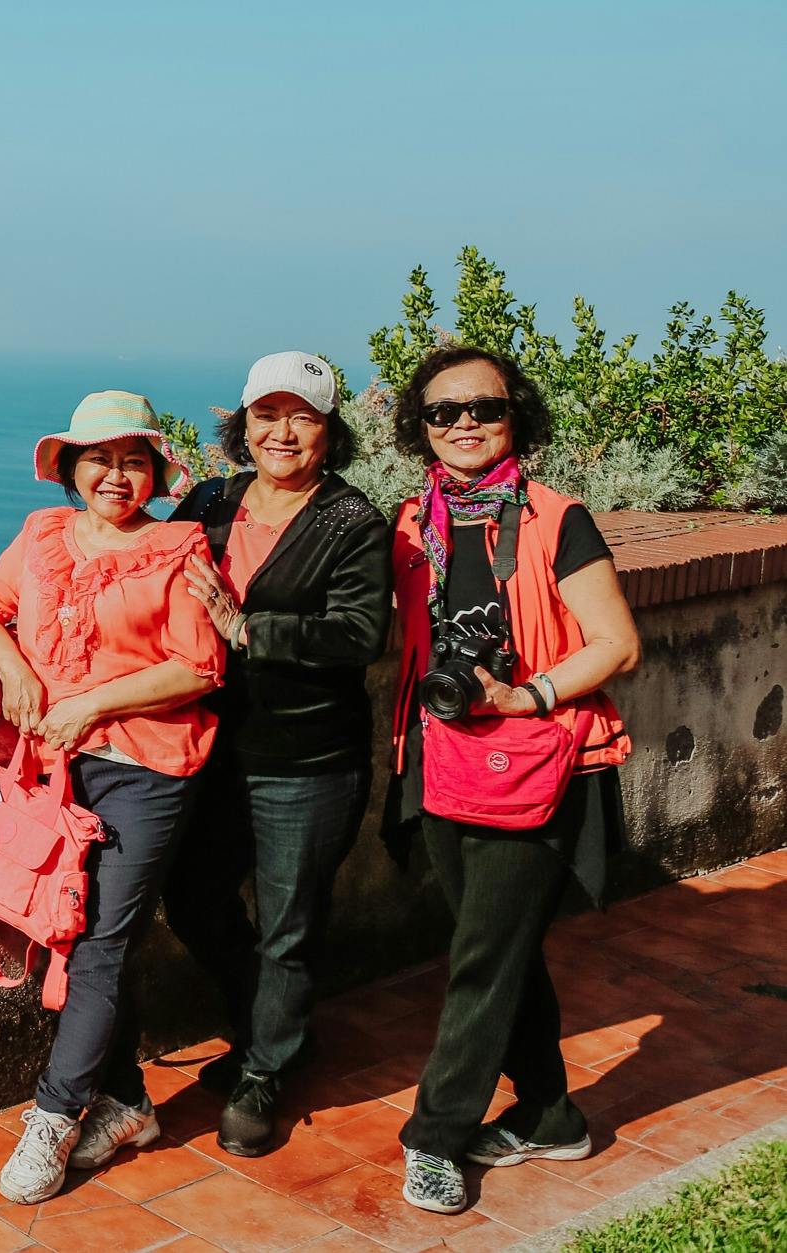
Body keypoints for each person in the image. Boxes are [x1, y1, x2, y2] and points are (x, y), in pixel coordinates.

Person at [0, 390, 228, 1206]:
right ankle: (131, 1103)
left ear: (154, 472)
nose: (117, 473)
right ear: (71, 467)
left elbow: (201, 665)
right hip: (51, 770)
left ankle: (53, 1113)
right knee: (66, 933)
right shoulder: (41, 536)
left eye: (134, 459)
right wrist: (16, 669)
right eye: (100, 457)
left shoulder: (178, 546)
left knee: (99, 942)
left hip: (146, 768)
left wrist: (94, 704)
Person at [382, 347, 640, 1216]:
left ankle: (436, 1136)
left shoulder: (558, 518)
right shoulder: (411, 522)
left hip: (537, 760)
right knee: (501, 946)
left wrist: (525, 692)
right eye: (443, 410)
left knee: (482, 954)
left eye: (484, 408)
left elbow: (616, 642)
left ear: (514, 416)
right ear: (419, 425)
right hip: (441, 759)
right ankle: (553, 1114)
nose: (463, 423)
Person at [143, 351, 393, 1158]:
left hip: (306, 757)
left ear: (329, 431)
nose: (281, 432)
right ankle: (268, 1034)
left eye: (303, 417)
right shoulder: (210, 500)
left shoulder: (351, 521)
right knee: (192, 896)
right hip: (210, 747)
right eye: (266, 414)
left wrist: (250, 630)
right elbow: (148, 575)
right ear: (242, 424)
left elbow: (361, 634)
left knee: (290, 923)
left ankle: (263, 1072)